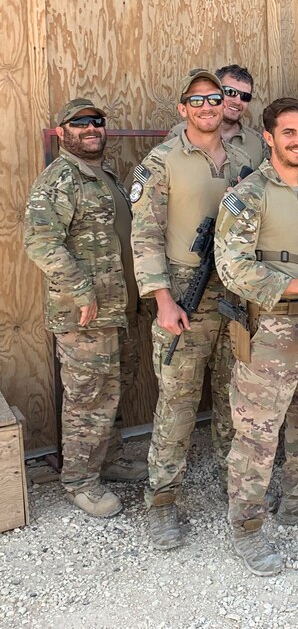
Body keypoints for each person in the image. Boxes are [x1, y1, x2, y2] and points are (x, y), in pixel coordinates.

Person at [215, 97, 298, 577]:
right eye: (289, 133)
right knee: (256, 436)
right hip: (268, 333)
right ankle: (247, 529)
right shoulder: (247, 195)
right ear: (269, 137)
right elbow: (232, 267)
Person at [131, 69, 250, 550]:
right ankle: (162, 502)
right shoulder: (159, 162)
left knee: (232, 392)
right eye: (196, 100)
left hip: (235, 288)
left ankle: (235, 487)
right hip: (184, 289)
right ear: (183, 109)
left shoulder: (243, 158)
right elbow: (144, 234)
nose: (207, 106)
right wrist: (161, 299)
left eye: (215, 98)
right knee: (178, 401)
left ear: (225, 106)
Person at [23, 98, 147, 518]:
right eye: (80, 123)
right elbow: (41, 241)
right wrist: (82, 290)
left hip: (120, 309)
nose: (91, 128)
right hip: (86, 314)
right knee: (87, 398)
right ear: (62, 132)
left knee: (114, 391)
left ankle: (108, 460)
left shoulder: (104, 173)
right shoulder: (61, 178)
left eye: (97, 121)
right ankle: (79, 480)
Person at [167, 65, 267, 169]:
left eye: (245, 97)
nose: (237, 101)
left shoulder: (258, 142)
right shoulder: (179, 133)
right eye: (230, 92)